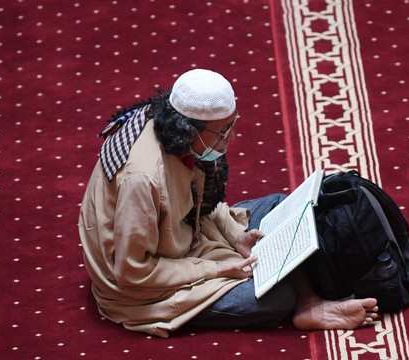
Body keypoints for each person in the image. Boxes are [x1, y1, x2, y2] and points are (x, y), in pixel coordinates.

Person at [78, 68, 379, 337]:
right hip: (141, 287)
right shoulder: (142, 179)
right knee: (276, 298)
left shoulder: (177, 132)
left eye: (232, 124)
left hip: (186, 235)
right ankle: (304, 302)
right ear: (189, 128)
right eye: (223, 131)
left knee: (281, 206)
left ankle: (308, 300)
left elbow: (199, 202)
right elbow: (133, 272)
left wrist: (237, 237)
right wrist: (218, 270)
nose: (232, 136)